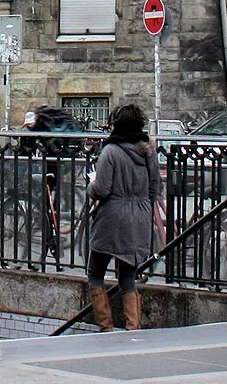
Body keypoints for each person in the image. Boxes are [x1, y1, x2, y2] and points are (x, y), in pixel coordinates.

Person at [85, 103, 161, 333]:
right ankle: (132, 328)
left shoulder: (111, 151)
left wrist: (90, 186)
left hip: (112, 218)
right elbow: (155, 186)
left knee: (95, 272)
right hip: (139, 218)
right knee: (128, 276)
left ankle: (106, 326)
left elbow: (102, 189)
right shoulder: (148, 151)